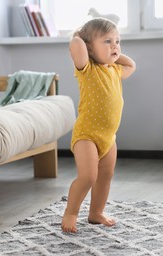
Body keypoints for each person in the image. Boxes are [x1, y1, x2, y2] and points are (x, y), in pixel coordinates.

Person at [62, 17, 136, 233]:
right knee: (88, 176)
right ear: (89, 49)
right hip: (87, 135)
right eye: (107, 41)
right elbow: (75, 45)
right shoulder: (86, 70)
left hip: (108, 137)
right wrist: (81, 37)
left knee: (105, 176)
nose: (115, 46)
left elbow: (132, 64)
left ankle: (95, 213)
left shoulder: (115, 71)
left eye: (118, 41)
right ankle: (71, 212)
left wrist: (111, 52)